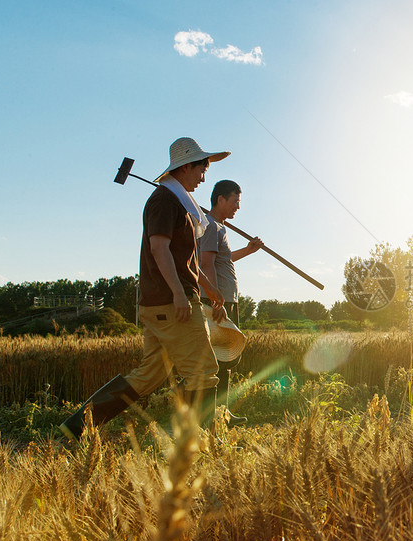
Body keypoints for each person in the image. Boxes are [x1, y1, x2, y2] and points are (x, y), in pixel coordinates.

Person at [59, 137, 230, 441]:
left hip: (160, 303)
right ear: (186, 166)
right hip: (170, 303)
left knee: (149, 375)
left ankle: (77, 427)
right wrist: (179, 293)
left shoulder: (178, 203)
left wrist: (210, 290)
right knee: (203, 371)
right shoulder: (165, 200)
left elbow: (186, 261)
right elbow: (158, 249)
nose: (204, 177)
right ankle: (197, 444)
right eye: (202, 169)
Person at [198, 180, 263, 425]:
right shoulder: (212, 227)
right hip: (216, 302)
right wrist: (216, 300)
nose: (237, 206)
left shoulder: (219, 228)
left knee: (226, 359)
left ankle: (221, 414)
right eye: (235, 201)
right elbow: (205, 264)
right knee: (219, 359)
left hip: (223, 301)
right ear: (220, 199)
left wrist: (248, 250)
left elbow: (223, 260)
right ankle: (212, 416)